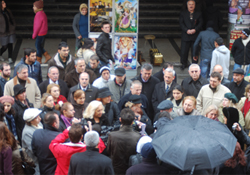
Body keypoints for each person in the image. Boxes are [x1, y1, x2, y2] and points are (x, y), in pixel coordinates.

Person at [107, 108, 141, 175]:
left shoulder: (112, 135)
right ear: (132, 122)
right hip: (131, 169)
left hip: (115, 170)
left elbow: (108, 151)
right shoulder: (137, 136)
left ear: (120, 120)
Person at [179, 0, 203, 70]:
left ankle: (194, 65)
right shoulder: (183, 13)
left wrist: (195, 29)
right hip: (185, 35)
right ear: (187, 5)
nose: (191, 6)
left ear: (195, 5)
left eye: (192, 4)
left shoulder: (199, 13)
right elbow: (181, 23)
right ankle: (184, 63)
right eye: (189, 4)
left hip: (195, 36)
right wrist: (186, 30)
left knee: (195, 51)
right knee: (184, 51)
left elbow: (201, 23)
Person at [22, 108, 43, 175]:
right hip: (35, 161)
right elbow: (33, 149)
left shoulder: (39, 124)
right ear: (30, 121)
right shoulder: (27, 132)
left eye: (39, 116)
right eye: (37, 118)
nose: (40, 119)